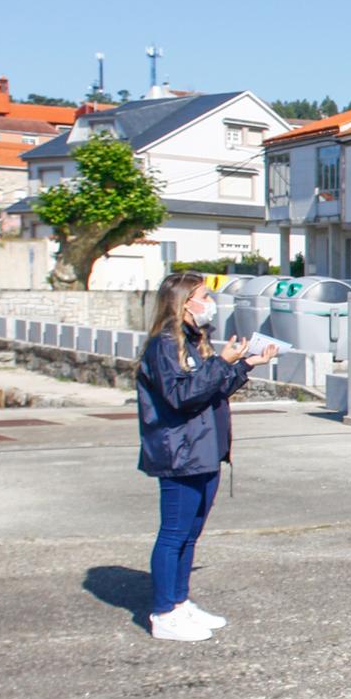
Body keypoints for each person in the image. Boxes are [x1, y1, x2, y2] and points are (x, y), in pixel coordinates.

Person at [137, 270, 277, 641]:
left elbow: (211, 389)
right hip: (179, 452)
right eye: (202, 296)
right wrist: (221, 362)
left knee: (190, 533)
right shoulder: (163, 346)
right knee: (174, 533)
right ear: (184, 304)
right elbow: (181, 396)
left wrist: (245, 364)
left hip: (204, 449)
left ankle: (180, 602)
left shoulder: (193, 342)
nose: (209, 304)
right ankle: (164, 612)